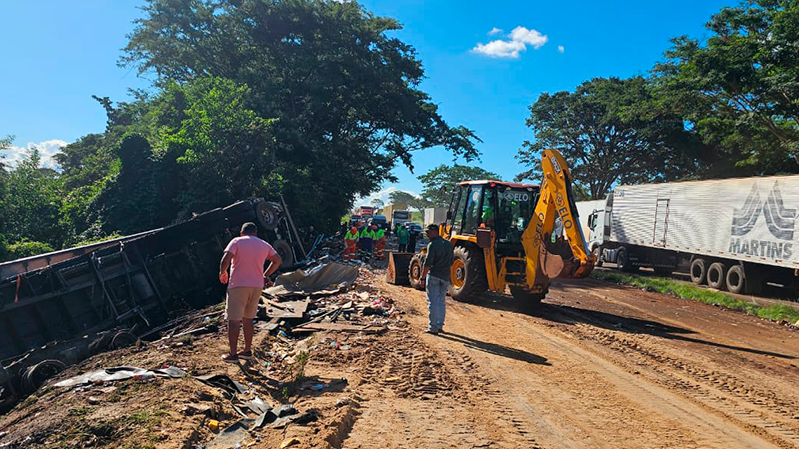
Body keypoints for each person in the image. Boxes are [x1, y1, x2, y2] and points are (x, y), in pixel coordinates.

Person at [218, 222, 282, 363]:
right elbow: (277, 261)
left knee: (234, 321)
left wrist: (222, 272)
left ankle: (233, 354)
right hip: (256, 286)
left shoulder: (236, 241)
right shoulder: (264, 244)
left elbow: (226, 258)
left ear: (242, 233)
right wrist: (265, 275)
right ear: (255, 233)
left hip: (238, 285)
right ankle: (247, 351)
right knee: (248, 319)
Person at [421, 224, 454, 334]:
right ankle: (440, 325)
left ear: (435, 232)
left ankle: (433, 327)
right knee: (441, 302)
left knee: (433, 302)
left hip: (434, 276)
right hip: (445, 277)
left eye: (429, 232)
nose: (427, 234)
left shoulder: (433, 245)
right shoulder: (449, 244)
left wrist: (422, 277)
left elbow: (428, 263)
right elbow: (451, 262)